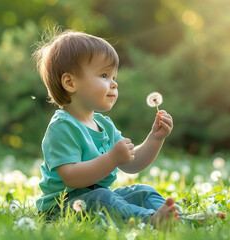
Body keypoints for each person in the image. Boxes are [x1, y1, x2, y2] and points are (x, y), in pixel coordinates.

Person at [33, 30, 180, 228]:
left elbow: (131, 163)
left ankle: (178, 218)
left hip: (99, 198)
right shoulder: (62, 126)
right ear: (70, 82)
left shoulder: (104, 125)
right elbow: (72, 177)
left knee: (142, 191)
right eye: (104, 75)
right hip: (62, 207)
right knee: (103, 198)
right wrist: (111, 159)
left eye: (114, 77)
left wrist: (155, 138)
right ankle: (150, 220)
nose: (114, 83)